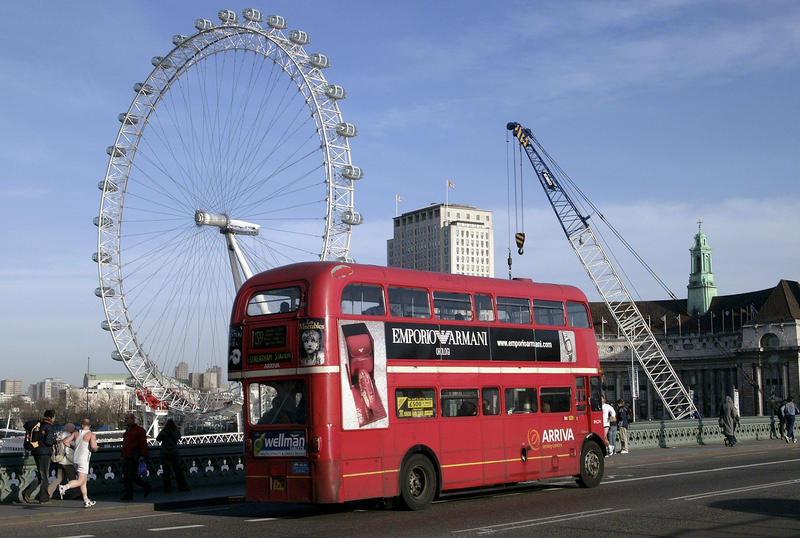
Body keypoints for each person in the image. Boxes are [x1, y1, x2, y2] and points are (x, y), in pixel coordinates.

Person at [58, 418, 99, 508]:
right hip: (83, 460)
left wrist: (73, 447)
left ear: (82, 425)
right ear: (90, 426)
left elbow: (65, 441)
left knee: (83, 480)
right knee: (80, 481)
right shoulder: (91, 434)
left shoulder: (76, 433)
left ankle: (86, 500)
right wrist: (96, 447)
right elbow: (93, 447)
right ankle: (64, 487)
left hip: (75, 459)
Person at [21, 409, 57, 504]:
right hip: (44, 453)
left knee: (41, 475)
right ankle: (44, 498)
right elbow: (48, 441)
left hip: (36, 451)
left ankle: (27, 493)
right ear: (52, 417)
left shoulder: (38, 425)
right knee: (45, 476)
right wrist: (55, 440)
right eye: (54, 417)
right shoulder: (48, 426)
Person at [120, 412, 151, 500]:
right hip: (126, 456)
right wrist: (122, 455)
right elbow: (125, 444)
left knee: (132, 476)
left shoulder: (140, 431)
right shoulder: (128, 430)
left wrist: (142, 455)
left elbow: (143, 444)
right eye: (125, 418)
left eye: (127, 419)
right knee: (126, 477)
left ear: (133, 419)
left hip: (134, 457)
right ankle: (128, 495)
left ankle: (146, 486)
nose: (125, 420)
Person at [47, 422, 78, 500]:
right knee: (72, 478)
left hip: (59, 460)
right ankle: (76, 494)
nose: (75, 430)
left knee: (59, 478)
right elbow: (68, 452)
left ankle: (48, 492)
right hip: (67, 462)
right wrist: (73, 462)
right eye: (74, 429)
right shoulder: (69, 436)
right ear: (71, 429)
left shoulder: (61, 434)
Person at [157, 419, 189, 492]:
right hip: (174, 453)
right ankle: (182, 487)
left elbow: (158, 439)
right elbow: (179, 438)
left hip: (165, 453)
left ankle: (167, 488)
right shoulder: (175, 431)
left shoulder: (164, 432)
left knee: (166, 472)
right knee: (178, 471)